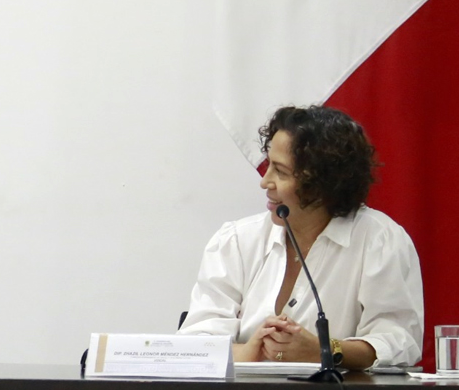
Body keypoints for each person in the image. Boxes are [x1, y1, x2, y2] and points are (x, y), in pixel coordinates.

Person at [179, 105, 423, 367]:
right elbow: (194, 346)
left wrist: (325, 350)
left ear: (322, 183)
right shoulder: (236, 241)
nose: (265, 182)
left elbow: (398, 344)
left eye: (281, 171)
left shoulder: (379, 240)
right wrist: (252, 351)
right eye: (268, 165)